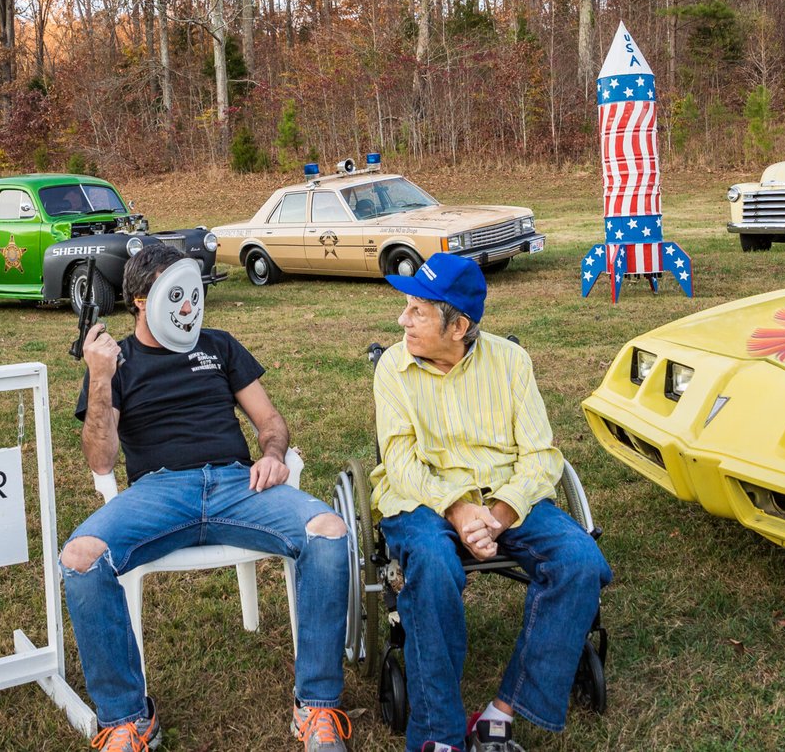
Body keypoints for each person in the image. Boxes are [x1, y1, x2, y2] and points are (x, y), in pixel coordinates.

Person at [59, 243, 353, 752]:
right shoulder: (117, 361)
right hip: (160, 490)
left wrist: (274, 454)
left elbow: (270, 422)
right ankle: (128, 719)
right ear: (139, 300)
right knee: (80, 559)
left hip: (240, 484)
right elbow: (101, 461)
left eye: (192, 294)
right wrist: (101, 377)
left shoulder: (217, 345)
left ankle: (318, 708)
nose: (189, 308)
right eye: (175, 296)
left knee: (328, 531)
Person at [370, 253, 612, 752]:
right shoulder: (394, 368)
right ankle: (439, 737)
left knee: (580, 561)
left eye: (417, 311)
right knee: (434, 565)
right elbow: (401, 463)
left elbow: (542, 456)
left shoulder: (510, 361)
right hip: (422, 497)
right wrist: (459, 510)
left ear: (458, 326)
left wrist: (499, 514)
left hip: (506, 494)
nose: (403, 320)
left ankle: (500, 716)